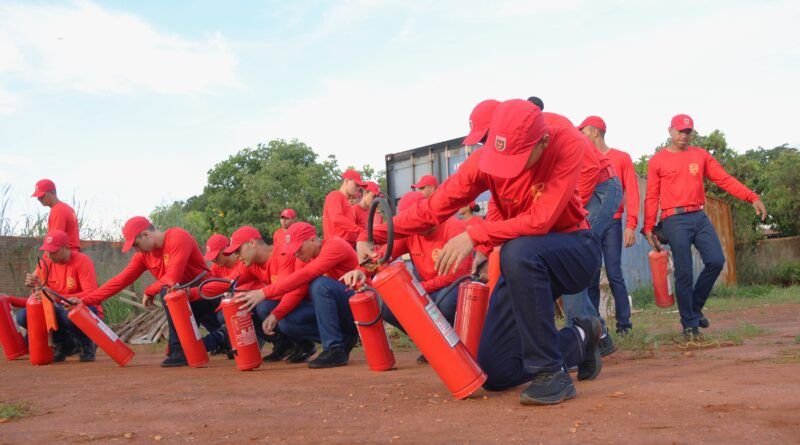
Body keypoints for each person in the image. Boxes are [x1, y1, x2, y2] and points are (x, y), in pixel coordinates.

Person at [359, 99, 604, 406]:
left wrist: (474, 234)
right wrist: (369, 235)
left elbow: (540, 221)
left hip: (574, 250)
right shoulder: (485, 162)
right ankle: (582, 337)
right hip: (524, 265)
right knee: (496, 371)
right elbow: (431, 211)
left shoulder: (566, 142)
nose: (505, 168)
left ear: (542, 142)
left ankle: (551, 372)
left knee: (517, 251)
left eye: (516, 157)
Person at [644, 114, 766, 338]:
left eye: (688, 132)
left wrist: (752, 197)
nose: (684, 135)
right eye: (680, 131)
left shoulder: (700, 156)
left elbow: (724, 179)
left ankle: (694, 308)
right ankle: (690, 325)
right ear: (670, 131)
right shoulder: (657, 161)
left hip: (698, 216)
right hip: (674, 218)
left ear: (692, 133)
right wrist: (648, 226)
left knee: (716, 260)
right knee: (684, 271)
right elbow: (651, 195)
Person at [343, 191, 472, 364]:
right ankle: (432, 346)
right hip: (427, 289)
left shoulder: (453, 227)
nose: (412, 225)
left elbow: (457, 275)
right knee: (387, 306)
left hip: (453, 287)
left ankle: (457, 349)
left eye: (415, 220)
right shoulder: (411, 233)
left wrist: (419, 290)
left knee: (445, 304)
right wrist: (361, 270)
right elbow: (382, 255)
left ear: (427, 214)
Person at [76, 216, 224, 367]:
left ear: (146, 234)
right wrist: (85, 301)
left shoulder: (178, 237)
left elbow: (172, 278)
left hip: (207, 296)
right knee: (225, 341)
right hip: (187, 301)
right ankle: (192, 346)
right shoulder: (143, 256)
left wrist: (149, 290)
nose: (136, 249)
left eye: (136, 244)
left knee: (168, 291)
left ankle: (179, 350)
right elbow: (119, 281)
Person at [235, 222, 360, 369]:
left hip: (358, 303)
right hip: (339, 308)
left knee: (320, 285)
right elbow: (298, 289)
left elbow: (306, 274)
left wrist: (264, 292)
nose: (296, 254)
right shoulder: (303, 259)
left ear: (313, 240)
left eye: (298, 248)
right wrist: (276, 314)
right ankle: (344, 339)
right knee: (287, 323)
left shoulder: (334, 245)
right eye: (292, 250)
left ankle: (334, 349)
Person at [197, 226, 316, 363]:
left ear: (252, 243)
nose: (236, 256)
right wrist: (190, 292)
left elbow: (291, 289)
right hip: (287, 304)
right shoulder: (250, 264)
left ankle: (305, 344)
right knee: (242, 306)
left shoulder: (283, 254)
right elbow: (227, 283)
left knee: (263, 306)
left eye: (238, 250)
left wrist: (263, 295)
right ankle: (284, 345)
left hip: (306, 303)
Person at [579, 116, 638, 335]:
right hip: (589, 224)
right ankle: (595, 327)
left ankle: (625, 324)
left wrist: (631, 224)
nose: (580, 135)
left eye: (583, 130)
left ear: (595, 132)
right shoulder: (582, 158)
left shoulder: (621, 158)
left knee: (614, 273)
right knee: (591, 274)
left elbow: (631, 191)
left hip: (612, 223)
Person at [8, 230, 99, 362]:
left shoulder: (82, 261)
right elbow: (37, 293)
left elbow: (91, 293)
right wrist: (33, 285)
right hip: (54, 308)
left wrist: (57, 296)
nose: (50, 255)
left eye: (54, 251)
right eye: (47, 251)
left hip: (80, 307)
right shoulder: (45, 262)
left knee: (68, 314)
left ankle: (86, 343)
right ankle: (63, 344)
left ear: (66, 247)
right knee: (23, 316)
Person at [31, 179, 80, 251]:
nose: (39, 199)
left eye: (42, 195)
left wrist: (44, 261)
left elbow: (54, 241)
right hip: (72, 254)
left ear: (53, 192)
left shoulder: (57, 210)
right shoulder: (67, 208)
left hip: (64, 256)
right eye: (38, 196)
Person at [323, 169, 366, 247]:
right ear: (347, 181)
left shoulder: (347, 202)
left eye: (359, 186)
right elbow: (336, 218)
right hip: (336, 245)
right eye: (356, 185)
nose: (358, 188)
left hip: (348, 245)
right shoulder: (335, 195)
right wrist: (360, 230)